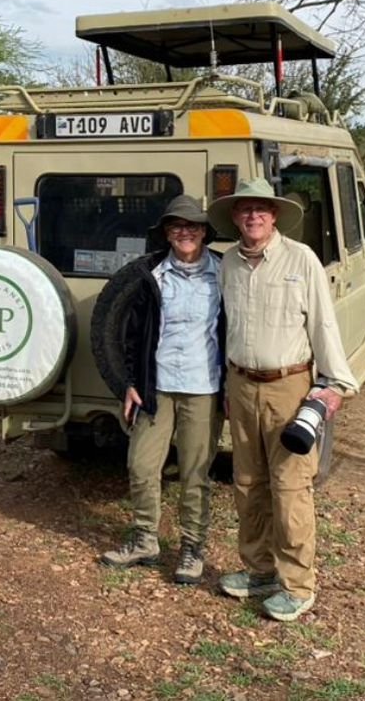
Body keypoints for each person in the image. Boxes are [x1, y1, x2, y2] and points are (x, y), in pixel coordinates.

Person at [205, 177, 358, 622]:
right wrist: (226, 388)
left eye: (261, 209)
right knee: (248, 483)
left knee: (290, 486)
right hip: (241, 384)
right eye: (245, 209)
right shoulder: (228, 263)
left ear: (274, 216)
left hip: (289, 386)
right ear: (235, 217)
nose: (253, 216)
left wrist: (333, 385)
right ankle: (259, 570)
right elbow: (224, 327)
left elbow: (324, 325)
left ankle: (297, 584)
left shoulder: (301, 259)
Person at [99, 194, 226, 585]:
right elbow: (133, 336)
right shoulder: (149, 274)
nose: (184, 233)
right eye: (176, 227)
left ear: (204, 232)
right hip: (157, 386)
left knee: (195, 472)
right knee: (141, 465)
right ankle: (144, 540)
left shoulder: (224, 273)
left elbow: (236, 330)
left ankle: (191, 546)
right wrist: (130, 384)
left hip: (204, 387)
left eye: (191, 226)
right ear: (166, 234)